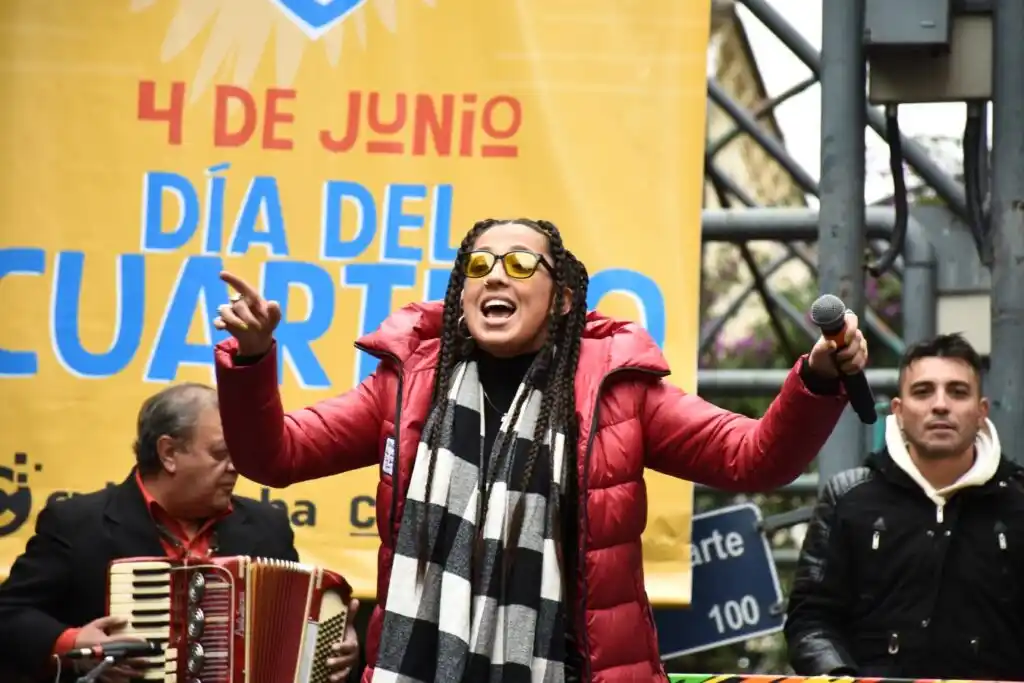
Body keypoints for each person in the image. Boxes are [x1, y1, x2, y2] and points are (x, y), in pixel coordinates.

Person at [212, 218, 866, 683]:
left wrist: (815, 379)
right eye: (479, 266)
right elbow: (276, 457)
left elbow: (754, 457)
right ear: (462, 294)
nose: (496, 274)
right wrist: (252, 359)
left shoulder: (618, 390)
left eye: (521, 264)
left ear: (562, 299)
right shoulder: (407, 384)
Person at [0, 383, 360, 683]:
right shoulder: (77, 523)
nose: (237, 467)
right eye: (221, 453)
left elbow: (296, 633)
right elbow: (9, 615)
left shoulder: (268, 527)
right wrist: (75, 643)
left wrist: (334, 647)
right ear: (169, 453)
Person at [785, 333, 1024, 679]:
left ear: (981, 411)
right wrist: (839, 676)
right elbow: (811, 619)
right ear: (897, 411)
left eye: (958, 392)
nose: (940, 405)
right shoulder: (849, 497)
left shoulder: (1017, 501)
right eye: (923, 391)